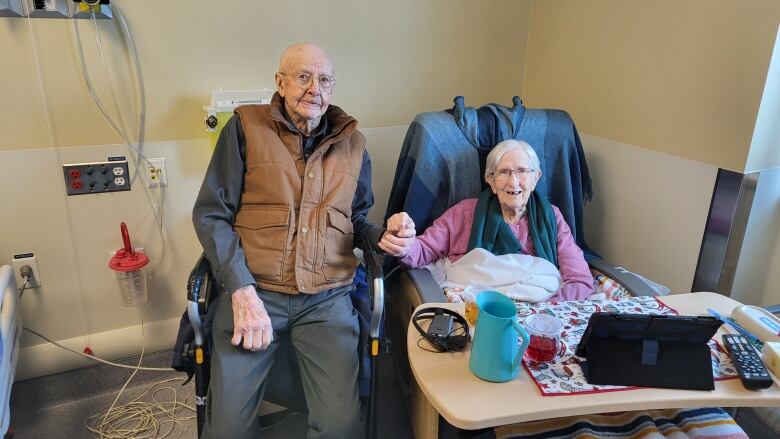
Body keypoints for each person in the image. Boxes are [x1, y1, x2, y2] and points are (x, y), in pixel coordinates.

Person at [192, 43, 395, 439]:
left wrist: (383, 235)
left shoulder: (355, 146)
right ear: (280, 82)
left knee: (341, 428)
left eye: (324, 79)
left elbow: (356, 220)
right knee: (228, 431)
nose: (313, 88)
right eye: (303, 76)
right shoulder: (245, 127)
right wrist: (241, 289)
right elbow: (211, 213)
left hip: (325, 299)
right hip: (255, 293)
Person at [381, 139, 594, 301]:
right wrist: (405, 241)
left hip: (539, 310)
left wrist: (546, 310)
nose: (514, 182)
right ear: (490, 180)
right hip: (479, 309)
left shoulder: (552, 217)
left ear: (536, 177)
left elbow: (580, 280)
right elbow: (421, 251)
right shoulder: (464, 213)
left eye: (522, 171)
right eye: (503, 172)